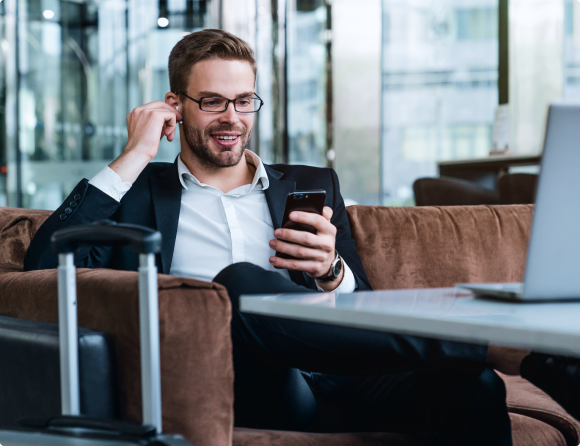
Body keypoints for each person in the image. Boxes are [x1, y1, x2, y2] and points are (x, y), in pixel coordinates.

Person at [24, 29, 525, 445]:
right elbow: (42, 269)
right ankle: (478, 342)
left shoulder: (312, 184)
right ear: (174, 106)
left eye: (244, 101)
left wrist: (332, 274)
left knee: (473, 387)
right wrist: (134, 154)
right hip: (239, 381)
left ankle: (474, 357)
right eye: (213, 101)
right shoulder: (134, 194)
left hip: (337, 377)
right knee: (237, 285)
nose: (232, 118)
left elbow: (364, 305)